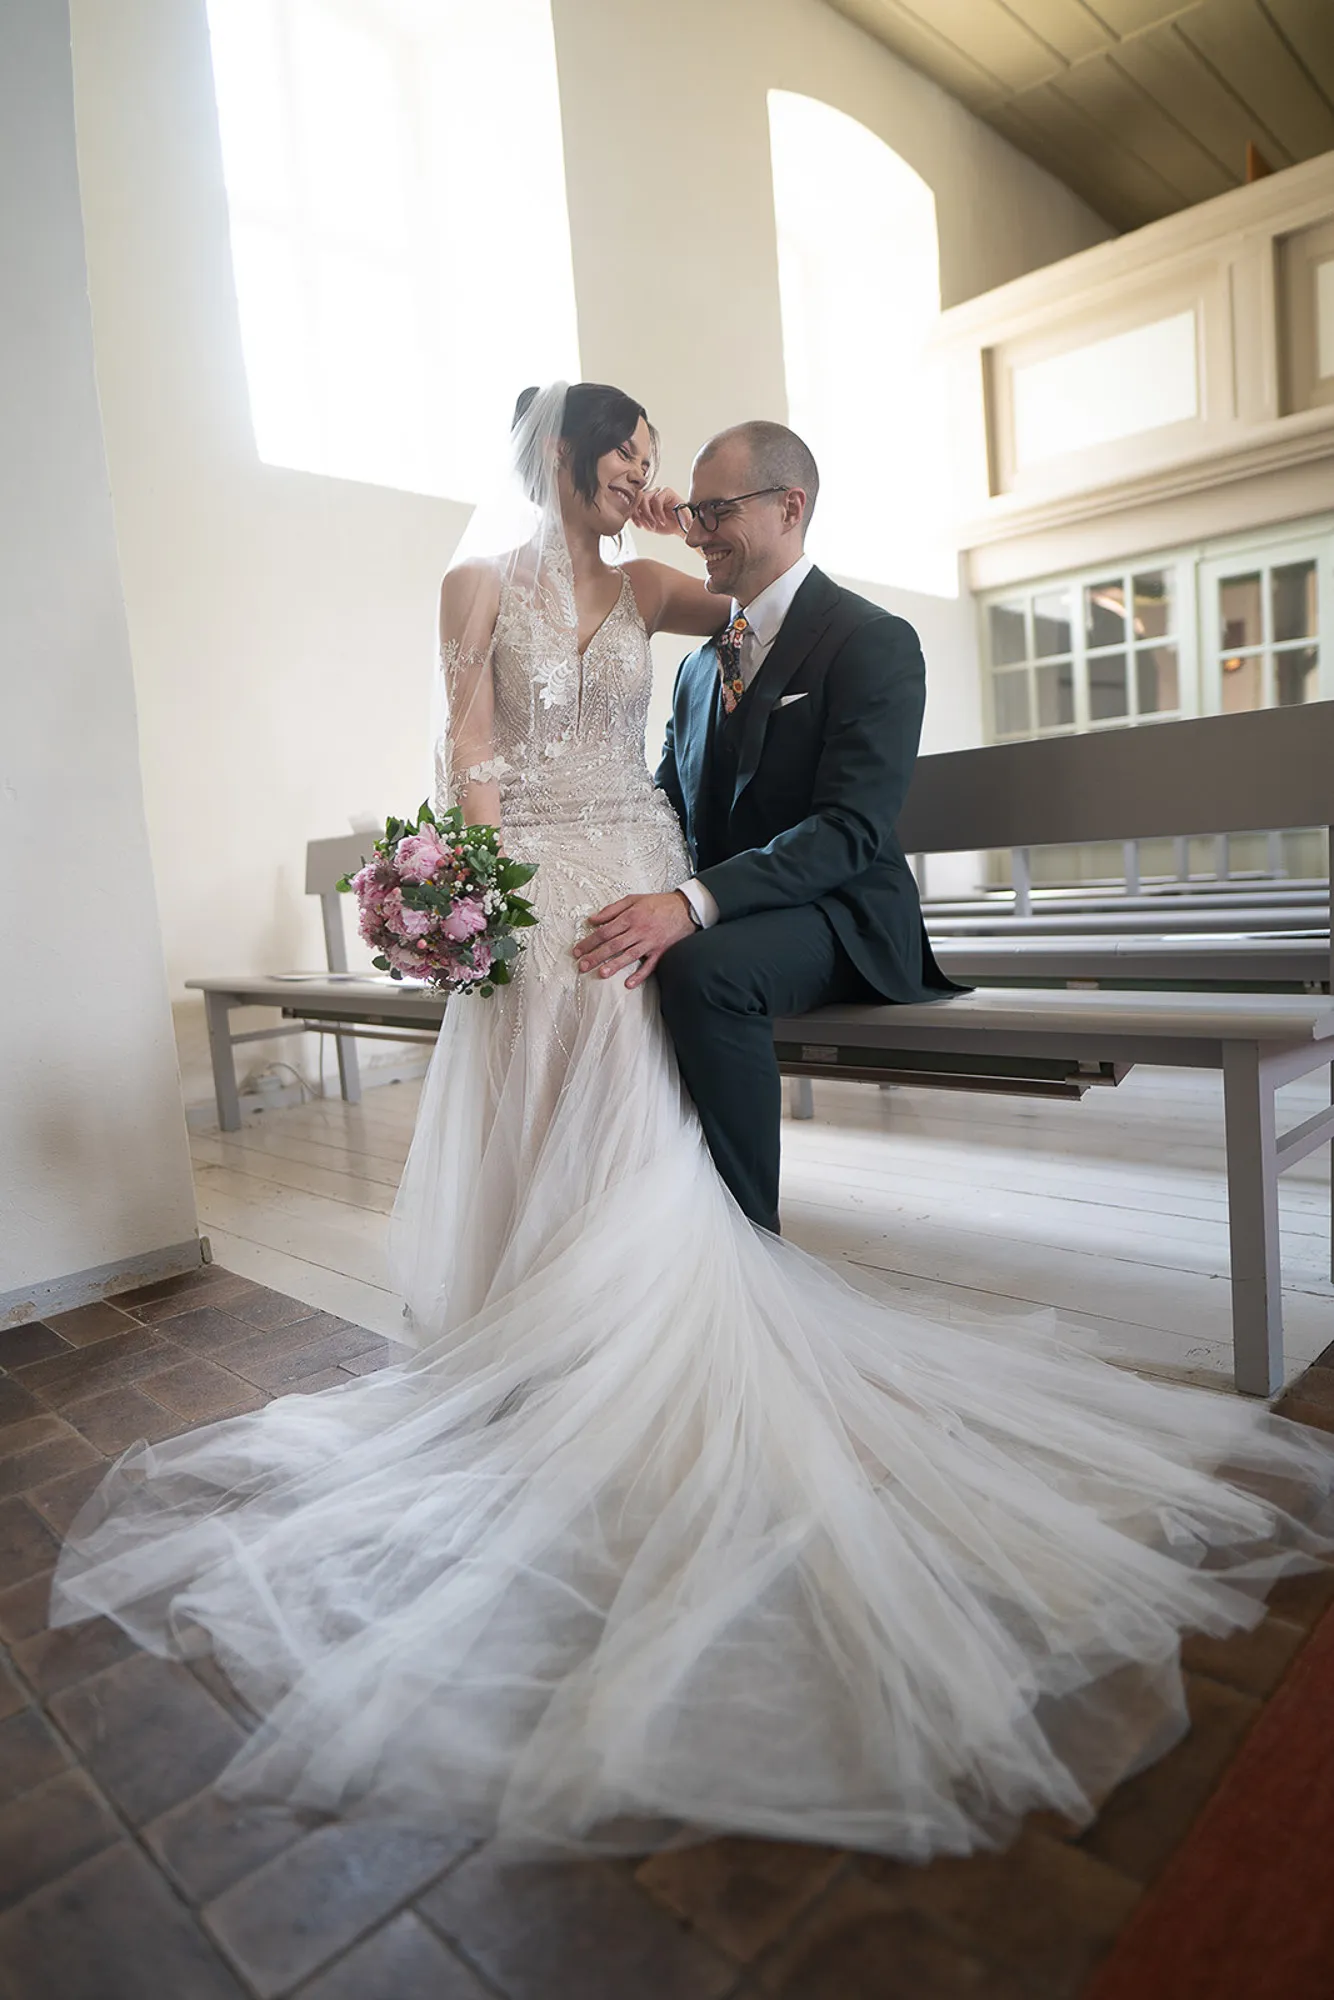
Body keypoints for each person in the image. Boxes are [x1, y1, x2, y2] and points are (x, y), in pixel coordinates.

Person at [51, 382, 1334, 1863]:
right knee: (592, 973)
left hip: (786, 905)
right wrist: (477, 872)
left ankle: (710, 1258)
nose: (661, 493)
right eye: (638, 466)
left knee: (666, 967)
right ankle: (571, 1292)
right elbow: (533, 741)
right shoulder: (563, 599)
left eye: (685, 481)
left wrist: (679, 572)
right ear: (561, 460)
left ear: (770, 510)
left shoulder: (816, 622)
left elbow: (837, 810)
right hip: (562, 856)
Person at [573, 417, 962, 1232]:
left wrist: (686, 906)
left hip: (843, 914)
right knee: (597, 955)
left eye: (719, 513)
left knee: (700, 969)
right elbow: (667, 805)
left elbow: (851, 830)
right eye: (692, 514)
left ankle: (744, 1238)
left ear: (791, 507)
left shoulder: (871, 641)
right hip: (742, 911)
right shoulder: (698, 664)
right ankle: (627, 1227)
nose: (699, 534)